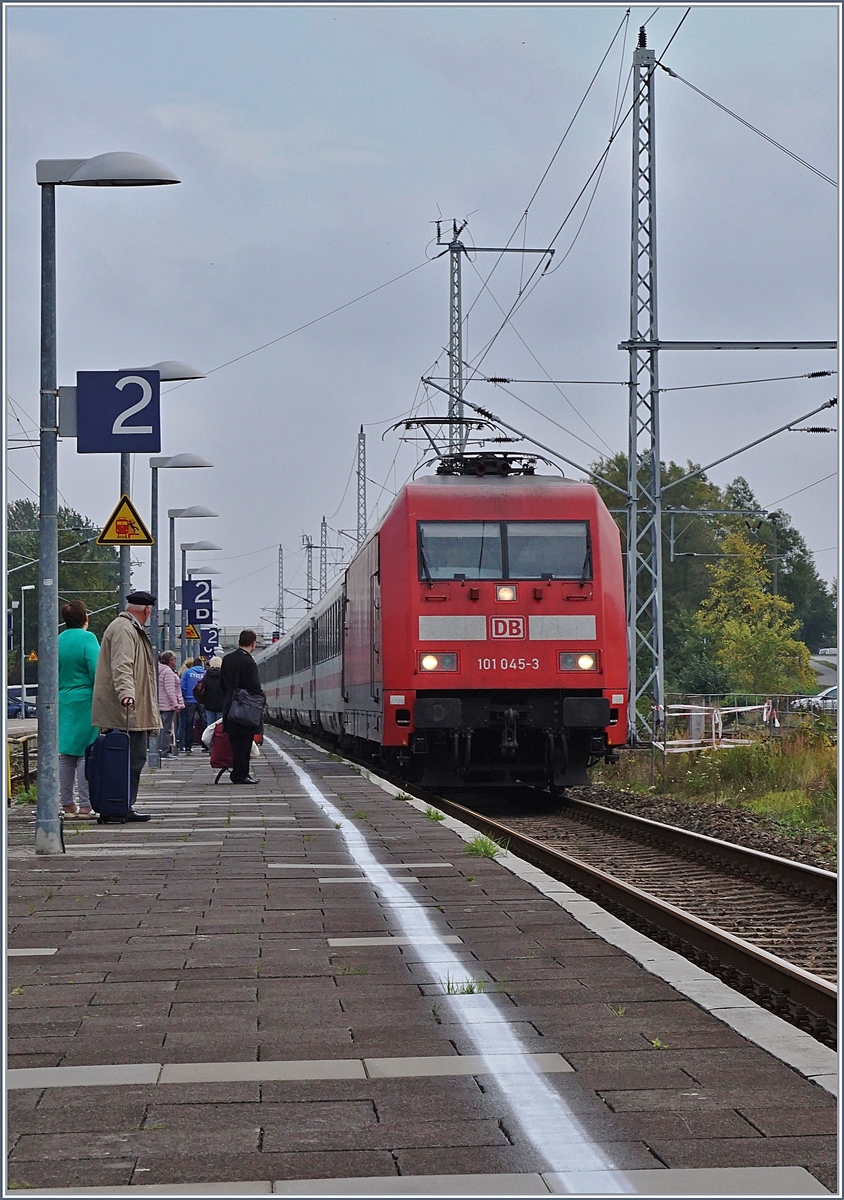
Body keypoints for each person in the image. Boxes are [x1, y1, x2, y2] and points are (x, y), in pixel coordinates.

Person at [91, 591, 160, 821]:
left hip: (128, 709)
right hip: (126, 711)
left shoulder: (128, 628)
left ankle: (121, 805)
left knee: (128, 760)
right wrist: (127, 694)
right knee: (130, 761)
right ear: (147, 610)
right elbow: (122, 664)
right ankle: (120, 806)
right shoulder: (124, 629)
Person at [58, 600, 99, 818]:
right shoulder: (88, 639)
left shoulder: (57, 639)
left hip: (63, 698)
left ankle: (67, 803)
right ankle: (85, 804)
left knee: (66, 754)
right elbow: (96, 670)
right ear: (85, 618)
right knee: (86, 752)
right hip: (86, 698)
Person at [221, 629, 265, 785]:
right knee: (244, 744)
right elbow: (254, 686)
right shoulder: (248, 662)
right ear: (253, 644)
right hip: (245, 708)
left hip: (230, 706)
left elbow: (223, 684)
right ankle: (241, 775)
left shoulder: (227, 659)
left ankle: (239, 773)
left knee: (235, 743)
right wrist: (261, 698)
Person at [157, 651, 184, 757]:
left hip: (159, 702)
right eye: (173, 659)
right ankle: (164, 751)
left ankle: (158, 749)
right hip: (167, 704)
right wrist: (175, 704)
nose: (175, 661)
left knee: (160, 728)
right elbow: (170, 689)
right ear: (169, 660)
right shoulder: (168, 672)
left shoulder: (159, 670)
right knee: (166, 729)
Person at [179, 658, 206, 754]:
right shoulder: (205, 673)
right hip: (202, 701)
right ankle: (205, 744)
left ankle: (188, 746)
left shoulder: (187, 673)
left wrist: (185, 696)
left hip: (190, 700)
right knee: (204, 722)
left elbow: (183, 686)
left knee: (189, 723)